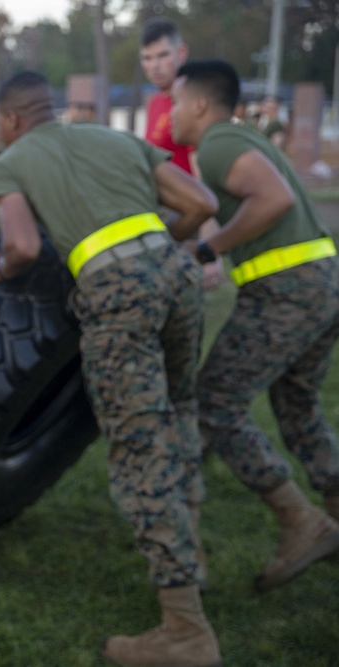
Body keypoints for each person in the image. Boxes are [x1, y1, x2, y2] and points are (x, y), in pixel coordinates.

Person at [0, 70, 220, 667]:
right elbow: (202, 204)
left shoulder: (11, 161)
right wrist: (152, 254)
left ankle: (186, 632)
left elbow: (19, 248)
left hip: (116, 294)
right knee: (181, 412)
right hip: (175, 274)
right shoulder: (115, 138)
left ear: (11, 120)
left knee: (137, 450)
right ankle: (193, 564)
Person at [170, 60, 339, 592]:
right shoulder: (236, 138)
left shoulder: (218, 143)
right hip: (320, 284)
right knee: (297, 408)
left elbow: (275, 199)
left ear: (199, 104)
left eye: (175, 102)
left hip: (287, 291)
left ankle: (303, 522)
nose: (169, 114)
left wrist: (204, 250)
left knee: (216, 400)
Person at [140, 17, 225, 290]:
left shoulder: (190, 104)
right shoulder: (156, 102)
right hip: (164, 219)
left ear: (181, 53)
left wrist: (209, 250)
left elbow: (205, 180)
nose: (154, 65)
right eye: (147, 58)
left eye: (163, 55)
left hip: (188, 219)